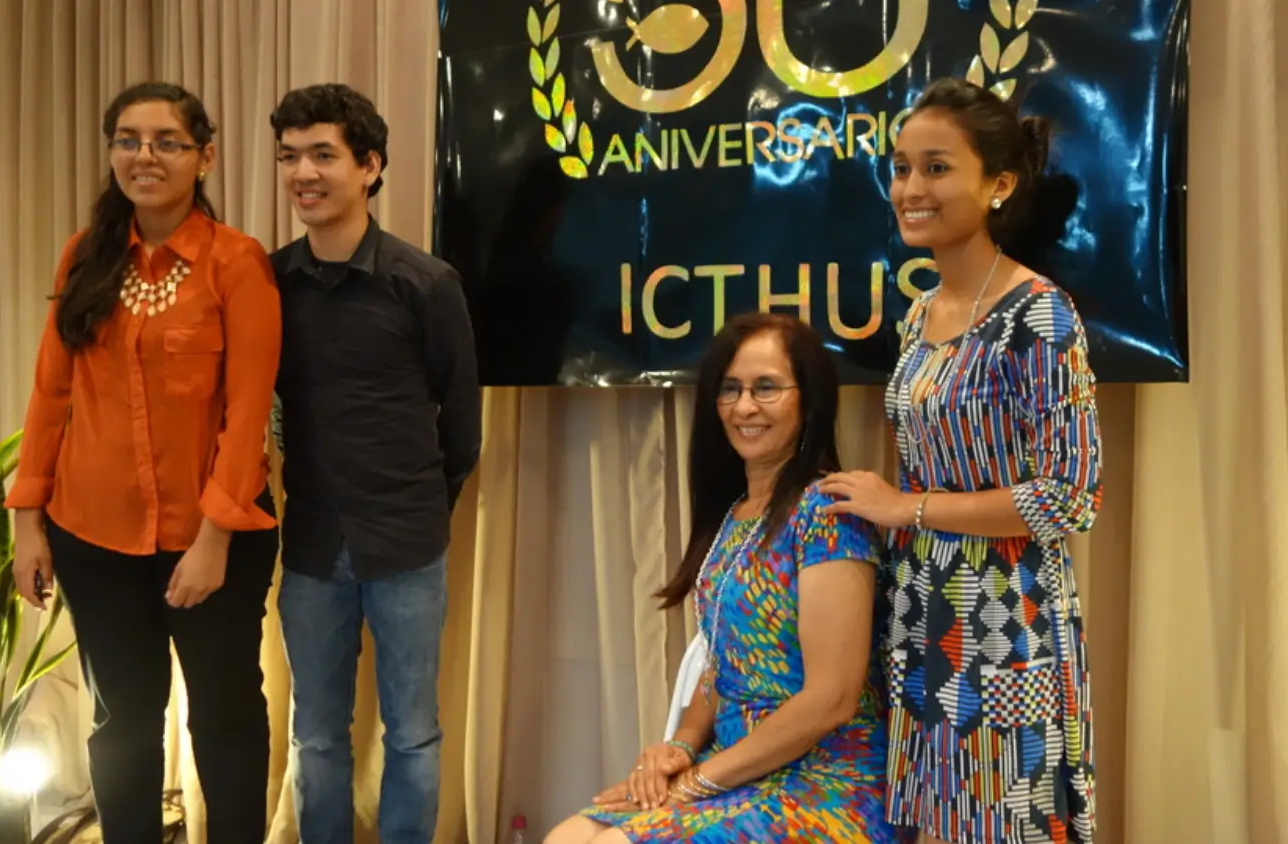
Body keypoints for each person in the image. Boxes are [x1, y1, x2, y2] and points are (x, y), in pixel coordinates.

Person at [818, 77, 1103, 844]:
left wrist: (905, 506)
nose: (911, 188)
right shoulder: (920, 314)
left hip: (1008, 620)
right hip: (921, 613)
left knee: (1005, 823)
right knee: (926, 822)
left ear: (999, 184)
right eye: (901, 168)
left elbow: (1070, 495)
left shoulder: (1039, 314)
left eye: (937, 168)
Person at [7, 81, 281, 843]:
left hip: (213, 539)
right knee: (121, 719)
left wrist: (213, 538)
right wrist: (28, 524)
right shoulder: (85, 257)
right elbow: (50, 395)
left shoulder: (237, 262)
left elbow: (247, 415)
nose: (144, 156)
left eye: (167, 142)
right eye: (128, 140)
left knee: (225, 716)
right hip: (93, 534)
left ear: (205, 157)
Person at [546, 313, 900, 844]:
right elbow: (722, 662)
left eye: (766, 388)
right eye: (730, 389)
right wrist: (680, 747)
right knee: (567, 838)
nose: (744, 407)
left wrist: (696, 783)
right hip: (735, 770)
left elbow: (832, 699)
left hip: (826, 782)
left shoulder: (829, 513)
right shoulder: (735, 513)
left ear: (809, 400)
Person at [268, 83, 482, 844]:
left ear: (370, 166)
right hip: (310, 542)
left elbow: (462, 425)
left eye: (323, 155)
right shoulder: (268, 283)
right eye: (289, 156)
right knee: (316, 734)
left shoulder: (425, 283)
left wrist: (418, 506)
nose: (303, 173)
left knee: (413, 733)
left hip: (407, 545)